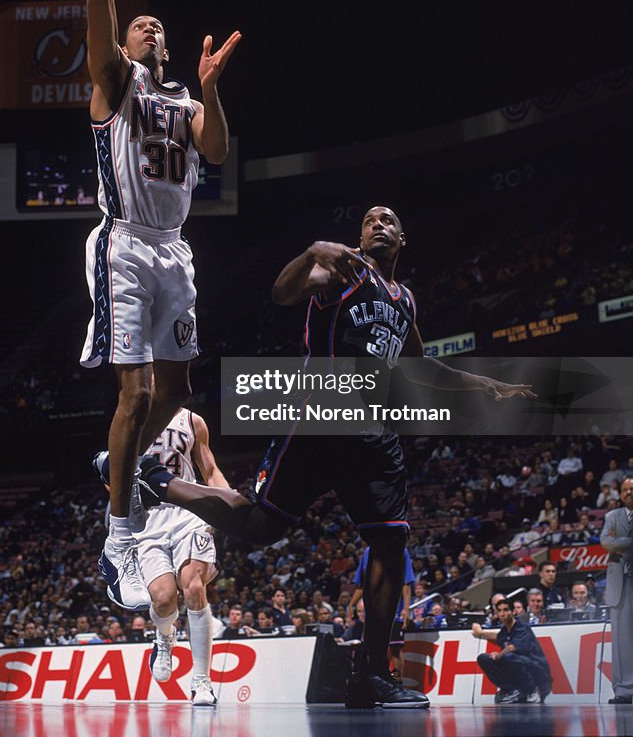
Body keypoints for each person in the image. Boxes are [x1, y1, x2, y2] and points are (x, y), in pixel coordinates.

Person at [137, 206, 534, 708]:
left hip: (376, 433)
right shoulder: (341, 269)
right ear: (360, 236)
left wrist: (484, 383)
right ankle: (156, 481)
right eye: (369, 219)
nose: (378, 224)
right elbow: (281, 293)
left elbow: (418, 365)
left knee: (391, 542)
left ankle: (369, 675)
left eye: (388, 219)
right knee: (261, 526)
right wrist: (310, 253)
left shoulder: (405, 299)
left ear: (402, 237)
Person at [54, 0, 240, 614]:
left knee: (179, 389)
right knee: (134, 395)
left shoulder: (177, 97)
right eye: (140, 24)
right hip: (125, 241)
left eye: (154, 23)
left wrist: (208, 89)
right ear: (124, 46)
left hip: (176, 247)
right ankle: (118, 533)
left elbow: (221, 152)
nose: (149, 25)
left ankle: (119, 471)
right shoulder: (116, 84)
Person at [96, 408, 228, 706]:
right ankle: (165, 635)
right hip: (147, 520)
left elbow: (210, 470)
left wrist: (227, 500)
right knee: (164, 598)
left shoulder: (193, 420)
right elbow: (112, 474)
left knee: (194, 586)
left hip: (189, 512)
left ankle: (201, 682)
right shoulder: (131, 415)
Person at [349, 545, 414, 681]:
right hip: (372, 611)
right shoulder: (368, 551)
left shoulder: (400, 549)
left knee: (395, 648)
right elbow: (362, 583)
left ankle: (397, 683)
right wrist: (351, 604)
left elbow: (405, 583)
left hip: (394, 610)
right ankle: (371, 683)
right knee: (369, 648)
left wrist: (406, 608)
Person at [472, 597, 552, 704]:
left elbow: (512, 648)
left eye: (505, 610)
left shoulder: (522, 627)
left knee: (507, 656)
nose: (502, 614)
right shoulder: (504, 631)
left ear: (513, 612)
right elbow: (500, 640)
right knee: (483, 658)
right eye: (499, 611)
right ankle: (510, 690)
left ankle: (532, 690)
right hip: (518, 667)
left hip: (537, 671)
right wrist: (481, 634)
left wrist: (498, 655)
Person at [600, 476, 633, 704]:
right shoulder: (611, 516)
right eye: (625, 489)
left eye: (632, 489)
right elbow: (604, 541)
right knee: (621, 639)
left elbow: (612, 544)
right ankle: (623, 690)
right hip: (619, 584)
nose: (628, 492)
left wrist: (617, 544)